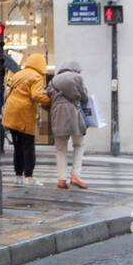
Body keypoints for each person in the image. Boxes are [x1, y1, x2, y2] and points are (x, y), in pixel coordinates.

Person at [2, 52, 51, 185]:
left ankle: (18, 176)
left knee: (17, 146)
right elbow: (36, 95)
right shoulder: (37, 77)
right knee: (28, 146)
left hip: (11, 111)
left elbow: (8, 90)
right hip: (24, 113)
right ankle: (28, 176)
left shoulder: (19, 74)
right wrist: (50, 101)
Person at [48, 61, 90, 190]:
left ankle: (61, 179)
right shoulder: (77, 78)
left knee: (60, 148)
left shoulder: (53, 81)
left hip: (57, 115)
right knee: (79, 144)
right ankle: (75, 175)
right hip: (74, 114)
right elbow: (84, 98)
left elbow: (48, 96)